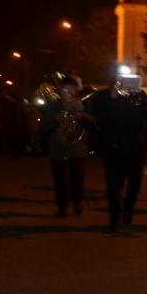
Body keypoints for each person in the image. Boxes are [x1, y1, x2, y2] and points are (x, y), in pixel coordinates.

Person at [91, 69, 147, 232]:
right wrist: (112, 98)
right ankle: (114, 217)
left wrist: (139, 97)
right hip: (114, 145)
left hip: (134, 145)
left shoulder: (139, 95)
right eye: (119, 78)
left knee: (135, 181)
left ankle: (129, 207)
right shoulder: (104, 96)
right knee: (113, 185)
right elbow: (98, 115)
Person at [39, 76, 95, 217]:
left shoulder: (84, 104)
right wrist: (56, 120)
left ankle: (76, 201)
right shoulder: (54, 106)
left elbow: (93, 124)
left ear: (76, 90)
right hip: (58, 149)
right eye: (64, 89)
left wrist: (81, 117)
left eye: (71, 89)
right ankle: (62, 207)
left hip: (78, 148)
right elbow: (44, 126)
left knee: (77, 179)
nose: (67, 92)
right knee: (59, 181)